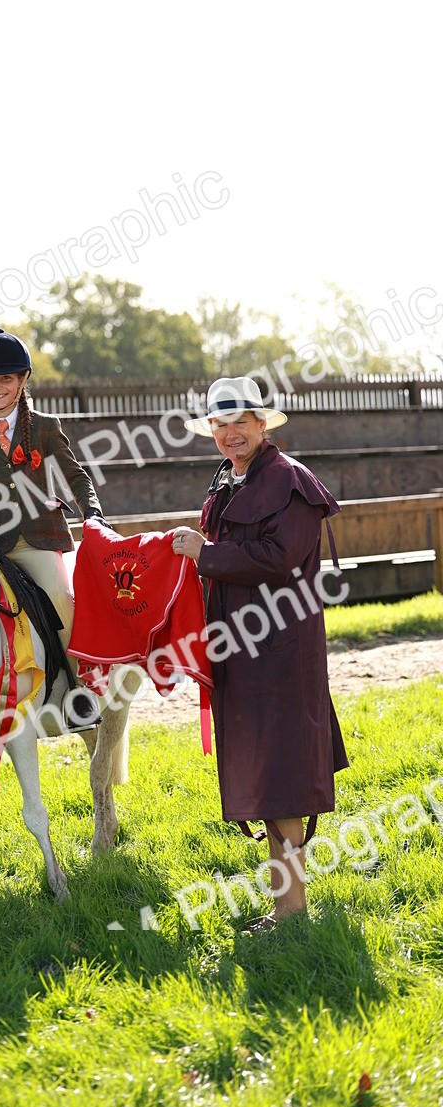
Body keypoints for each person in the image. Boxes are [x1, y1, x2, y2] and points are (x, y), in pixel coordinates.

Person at [172, 376, 349, 928]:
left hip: (280, 652)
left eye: (240, 422)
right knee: (266, 775)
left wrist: (207, 553)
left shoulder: (290, 480)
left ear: (261, 423)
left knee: (281, 779)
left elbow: (279, 558)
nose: (230, 433)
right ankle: (285, 906)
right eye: (220, 425)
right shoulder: (229, 481)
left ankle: (291, 910)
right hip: (240, 650)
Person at [0, 326, 105, 722]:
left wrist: (92, 513)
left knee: (57, 598)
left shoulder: (44, 426)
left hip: (39, 540)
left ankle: (80, 690)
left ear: (22, 380)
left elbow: (76, 477)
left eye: (7, 378)